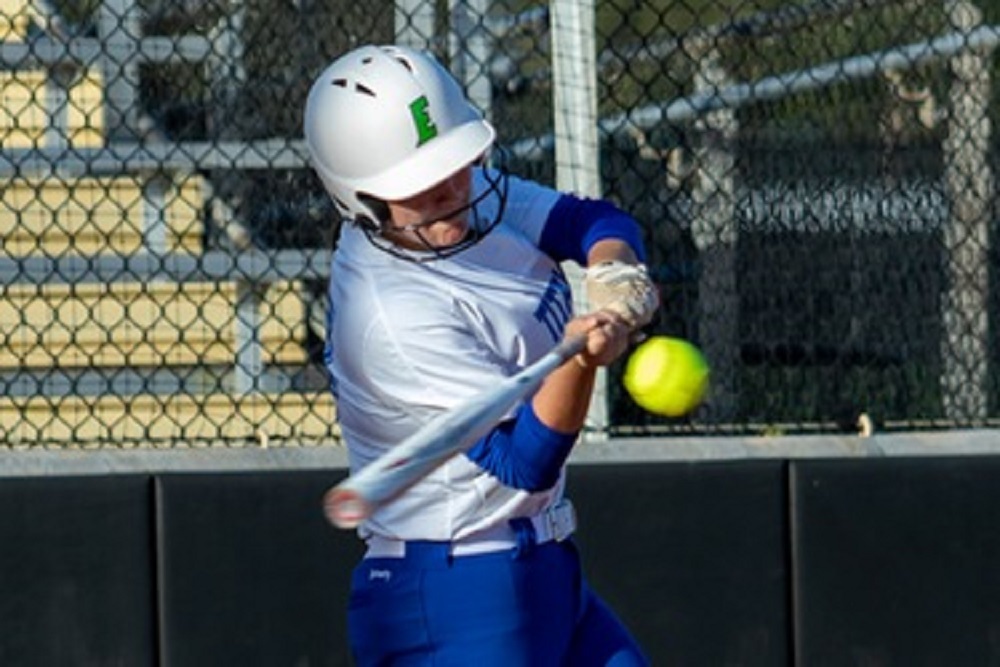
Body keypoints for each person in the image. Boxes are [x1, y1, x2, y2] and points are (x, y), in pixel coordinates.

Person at [303, 44, 658, 666]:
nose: (451, 191)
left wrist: (613, 272)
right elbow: (523, 460)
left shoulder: (476, 194)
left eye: (457, 164)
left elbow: (587, 220)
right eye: (420, 186)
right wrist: (581, 360)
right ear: (361, 199)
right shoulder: (390, 312)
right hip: (455, 593)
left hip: (547, 571)